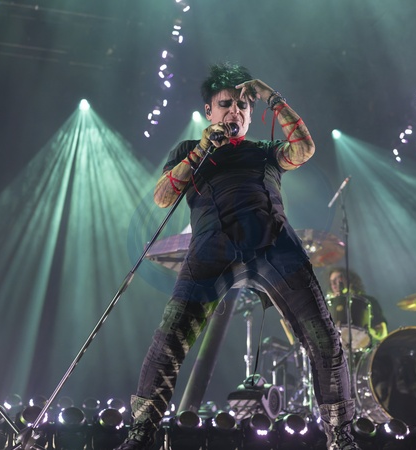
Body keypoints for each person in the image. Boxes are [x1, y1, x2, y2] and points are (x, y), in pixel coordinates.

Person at [117, 62, 359, 450]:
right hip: (211, 250)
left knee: (325, 339)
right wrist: (202, 148)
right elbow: (163, 197)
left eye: (243, 105)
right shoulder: (189, 151)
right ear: (209, 111)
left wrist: (271, 96)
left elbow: (304, 148)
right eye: (226, 104)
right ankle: (141, 433)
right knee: (168, 343)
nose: (235, 111)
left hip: (275, 247)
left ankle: (341, 436)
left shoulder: (264, 151)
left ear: (250, 114)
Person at [327, 267, 388, 344]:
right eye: (331, 281)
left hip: (362, 346)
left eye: (338, 279)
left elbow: (383, 333)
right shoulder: (328, 305)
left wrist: (365, 330)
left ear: (349, 280)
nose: (334, 284)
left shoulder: (367, 301)